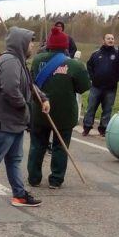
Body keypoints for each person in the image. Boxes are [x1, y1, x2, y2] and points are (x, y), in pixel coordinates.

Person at [0, 27, 48, 209]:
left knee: (14, 159)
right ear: (21, 43)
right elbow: (10, 90)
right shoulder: (10, 62)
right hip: (0, 122)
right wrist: (25, 108)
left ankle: (19, 195)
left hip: (13, 123)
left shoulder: (19, 62)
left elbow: (29, 85)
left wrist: (43, 98)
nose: (33, 45)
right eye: (30, 41)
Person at [28, 26, 90, 189]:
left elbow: (32, 83)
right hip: (64, 114)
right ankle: (56, 179)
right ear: (66, 46)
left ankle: (34, 178)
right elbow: (84, 87)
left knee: (37, 145)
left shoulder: (36, 60)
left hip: (40, 111)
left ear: (48, 44)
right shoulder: (75, 65)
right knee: (60, 147)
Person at [83, 33, 119, 136]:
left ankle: (103, 129)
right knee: (91, 108)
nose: (111, 40)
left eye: (112, 39)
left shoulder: (118, 54)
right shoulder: (96, 54)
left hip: (111, 88)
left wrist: (117, 78)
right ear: (103, 40)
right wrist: (92, 77)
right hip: (96, 87)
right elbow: (89, 65)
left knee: (108, 109)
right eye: (108, 38)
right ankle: (87, 127)